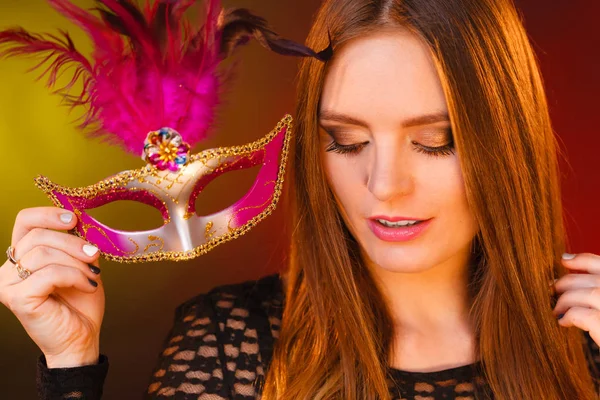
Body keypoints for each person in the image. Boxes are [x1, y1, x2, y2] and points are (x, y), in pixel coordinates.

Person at [2, 0, 600, 398]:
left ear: (506, 142)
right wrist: (70, 368)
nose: (384, 184)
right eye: (345, 141)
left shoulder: (588, 348)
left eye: (435, 143)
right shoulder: (228, 342)